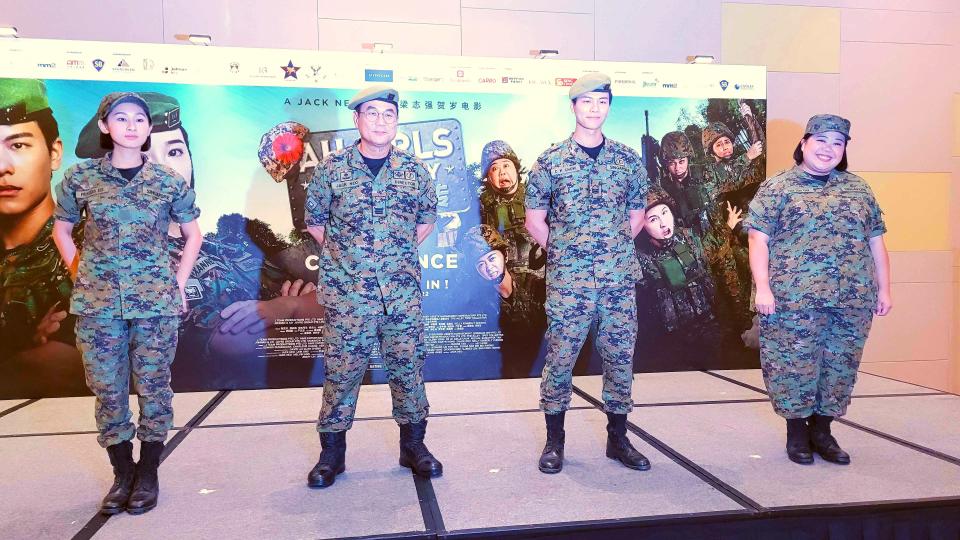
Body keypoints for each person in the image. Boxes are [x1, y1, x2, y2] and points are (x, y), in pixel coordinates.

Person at [52, 92, 202, 514]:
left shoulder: (166, 181)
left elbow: (193, 236)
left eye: (139, 118)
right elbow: (61, 231)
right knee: (108, 391)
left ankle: (148, 473)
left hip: (154, 303)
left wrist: (177, 284)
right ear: (105, 126)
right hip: (98, 308)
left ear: (147, 128)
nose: (132, 125)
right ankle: (122, 474)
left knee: (154, 389)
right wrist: (79, 272)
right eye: (121, 118)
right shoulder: (81, 178)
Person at [304, 85, 441, 488]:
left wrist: (391, 257)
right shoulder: (332, 169)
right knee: (341, 374)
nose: (381, 122)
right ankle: (332, 455)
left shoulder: (414, 171)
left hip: (400, 295)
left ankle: (413, 446)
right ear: (357, 119)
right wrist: (350, 260)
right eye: (372, 114)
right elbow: (316, 223)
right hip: (348, 296)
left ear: (396, 121)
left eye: (388, 114)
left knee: (408, 370)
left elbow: (426, 221)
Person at [744, 114, 892, 466]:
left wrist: (885, 289)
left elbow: (876, 242)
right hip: (793, 301)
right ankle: (796, 433)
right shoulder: (778, 188)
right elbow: (757, 240)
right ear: (804, 143)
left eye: (837, 143)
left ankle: (823, 432)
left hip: (851, 299)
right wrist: (762, 289)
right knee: (793, 365)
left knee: (840, 366)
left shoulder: (858, 189)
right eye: (821, 140)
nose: (828, 149)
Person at [525, 73, 649, 474]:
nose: (594, 109)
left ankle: (618, 439)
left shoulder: (628, 159)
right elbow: (534, 220)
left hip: (617, 282)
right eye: (587, 102)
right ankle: (554, 441)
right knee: (560, 360)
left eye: (602, 102)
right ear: (573, 106)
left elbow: (636, 216)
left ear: (609, 107)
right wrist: (567, 252)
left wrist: (608, 251)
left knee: (619, 358)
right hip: (569, 284)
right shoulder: (551, 161)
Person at [0, 78, 87, 397]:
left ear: (54, 153)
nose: (2, 167)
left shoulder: (90, 242)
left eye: (18, 145)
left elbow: (58, 366)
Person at [634, 188, 723, 369]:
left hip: (709, 327)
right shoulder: (638, 258)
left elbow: (714, 251)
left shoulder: (690, 237)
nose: (663, 223)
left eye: (665, 213)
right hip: (669, 341)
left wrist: (727, 227)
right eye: (653, 219)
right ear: (642, 226)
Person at [700, 109, 765, 333]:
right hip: (720, 232)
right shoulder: (709, 170)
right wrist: (748, 157)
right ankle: (742, 328)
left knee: (752, 266)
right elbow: (728, 183)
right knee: (732, 278)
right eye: (719, 145)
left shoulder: (736, 162)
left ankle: (753, 321)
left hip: (738, 227)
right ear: (711, 150)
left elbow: (759, 151)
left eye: (727, 141)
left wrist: (749, 118)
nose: (725, 147)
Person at [463, 224, 546, 378]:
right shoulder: (477, 305)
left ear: (505, 255)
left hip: (538, 374)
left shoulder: (533, 286)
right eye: (481, 265)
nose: (489, 267)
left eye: (492, 258)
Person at [478, 140, 545, 280]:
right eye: (494, 169)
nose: (502, 172)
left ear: (516, 169)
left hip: (542, 277)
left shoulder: (538, 199)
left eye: (506, 165)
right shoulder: (481, 207)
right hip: (505, 282)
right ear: (488, 178)